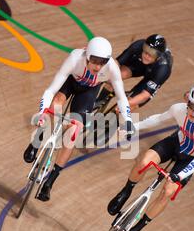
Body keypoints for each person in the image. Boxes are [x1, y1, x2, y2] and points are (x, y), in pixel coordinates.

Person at [107, 86, 194, 231]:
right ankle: (125, 191)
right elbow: (158, 119)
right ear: (187, 102)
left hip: (191, 159)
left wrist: (180, 176)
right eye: (192, 107)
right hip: (175, 144)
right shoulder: (179, 109)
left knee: (168, 192)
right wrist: (134, 127)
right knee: (144, 161)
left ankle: (135, 230)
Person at [23, 37, 135, 202]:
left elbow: (121, 98)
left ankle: (50, 181)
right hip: (70, 82)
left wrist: (128, 120)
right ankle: (39, 137)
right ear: (87, 56)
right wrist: (41, 113)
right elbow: (51, 90)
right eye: (94, 62)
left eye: (102, 62)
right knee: (56, 104)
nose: (98, 67)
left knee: (74, 131)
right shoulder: (75, 58)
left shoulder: (111, 68)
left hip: (87, 93)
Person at [96, 34, 173, 112]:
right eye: (146, 50)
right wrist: (102, 77)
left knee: (128, 107)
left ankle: (113, 122)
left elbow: (145, 95)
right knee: (112, 78)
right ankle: (98, 103)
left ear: (158, 56)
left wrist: (125, 104)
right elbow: (116, 64)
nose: (147, 55)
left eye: (152, 54)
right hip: (139, 65)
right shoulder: (138, 45)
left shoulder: (163, 68)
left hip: (153, 74)